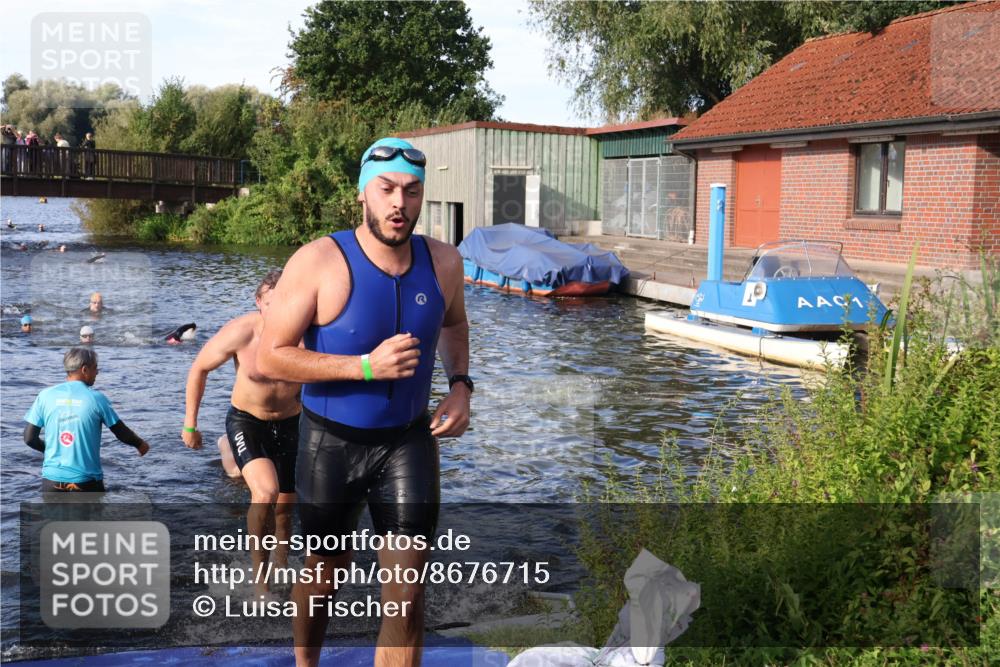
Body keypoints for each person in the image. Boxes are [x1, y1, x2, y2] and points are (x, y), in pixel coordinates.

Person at [256, 137, 472, 667]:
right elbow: (271, 356)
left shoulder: (444, 261)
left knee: (408, 595)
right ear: (362, 194)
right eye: (387, 189)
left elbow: (454, 324)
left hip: (408, 440)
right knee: (324, 577)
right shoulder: (317, 261)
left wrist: (460, 385)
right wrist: (365, 367)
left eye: (412, 191)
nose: (399, 202)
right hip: (331, 443)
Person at [182, 270, 300, 593]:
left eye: (285, 302)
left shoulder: (307, 334)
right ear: (259, 302)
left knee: (285, 509)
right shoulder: (241, 332)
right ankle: (261, 585)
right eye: (271, 303)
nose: (277, 311)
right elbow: (199, 368)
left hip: (292, 422)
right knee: (265, 493)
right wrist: (190, 423)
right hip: (248, 422)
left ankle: (282, 566)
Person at [23, 347, 150, 493]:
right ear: (84, 369)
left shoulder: (45, 396)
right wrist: (140, 445)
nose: (97, 372)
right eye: (95, 368)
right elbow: (122, 433)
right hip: (86, 482)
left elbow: (29, 439)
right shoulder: (97, 399)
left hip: (51, 481)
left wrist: (51, 450)